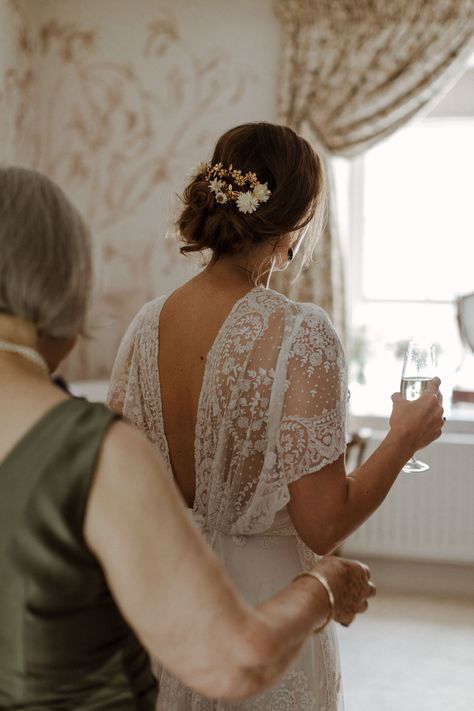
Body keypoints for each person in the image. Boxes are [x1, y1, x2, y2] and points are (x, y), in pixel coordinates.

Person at [0, 166, 375, 711]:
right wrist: (324, 588)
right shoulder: (94, 454)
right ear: (65, 292)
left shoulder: (148, 328)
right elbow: (235, 658)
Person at [108, 122, 445, 710]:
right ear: (298, 218)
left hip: (172, 600)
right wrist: (402, 438)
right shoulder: (300, 334)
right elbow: (323, 525)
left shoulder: (144, 327)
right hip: (270, 605)